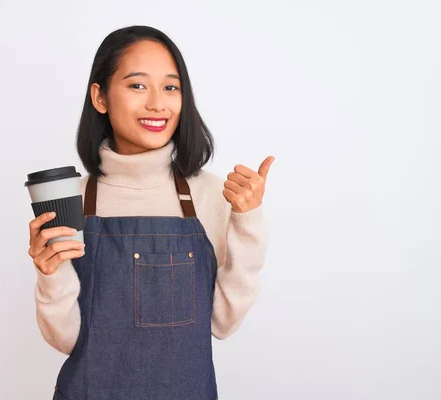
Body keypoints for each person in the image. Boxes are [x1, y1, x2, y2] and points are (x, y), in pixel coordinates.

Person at [28, 25, 274, 400]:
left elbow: (224, 324)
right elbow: (65, 340)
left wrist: (248, 220)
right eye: (138, 85)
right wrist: (49, 275)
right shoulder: (70, 198)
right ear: (100, 96)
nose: (158, 103)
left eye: (171, 87)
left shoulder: (209, 193)